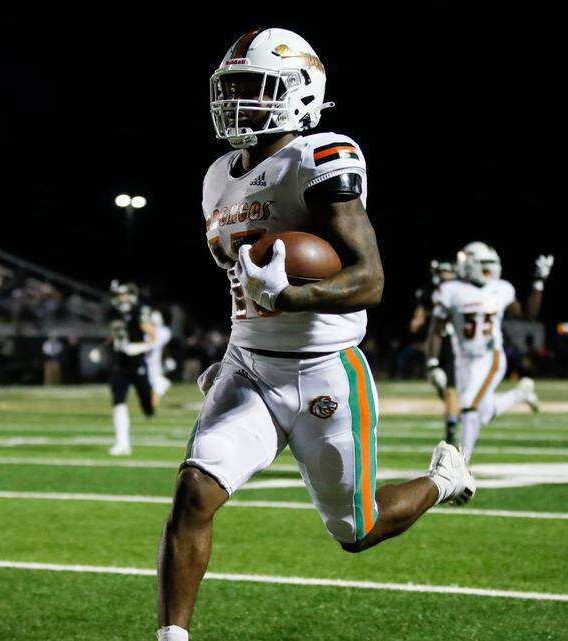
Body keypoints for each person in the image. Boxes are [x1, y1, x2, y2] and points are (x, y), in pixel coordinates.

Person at [155, 28, 475, 641]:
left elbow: (370, 280)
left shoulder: (321, 157)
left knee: (357, 531)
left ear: (301, 93)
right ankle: (172, 637)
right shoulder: (218, 176)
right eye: (232, 89)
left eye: (255, 88)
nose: (238, 102)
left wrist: (295, 295)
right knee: (194, 489)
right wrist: (228, 355)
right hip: (250, 368)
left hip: (325, 367)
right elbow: (241, 285)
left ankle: (442, 478)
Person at [429, 242, 548, 461]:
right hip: (463, 360)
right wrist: (433, 363)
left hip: (489, 356)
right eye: (486, 265)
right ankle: (520, 393)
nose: (490, 270)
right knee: (479, 414)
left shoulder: (500, 289)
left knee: (468, 408)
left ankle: (460, 466)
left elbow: (528, 317)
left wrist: (538, 283)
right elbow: (436, 329)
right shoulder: (451, 291)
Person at [106, 281, 156, 456]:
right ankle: (122, 443)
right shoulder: (114, 313)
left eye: (123, 295)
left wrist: (139, 347)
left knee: (146, 403)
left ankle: (149, 409)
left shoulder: (139, 312)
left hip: (137, 365)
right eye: (118, 295)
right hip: (120, 365)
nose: (120, 298)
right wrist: (101, 349)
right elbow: (115, 336)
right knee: (118, 402)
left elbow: (154, 337)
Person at [420, 260, 461, 443]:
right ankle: (453, 414)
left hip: (453, 343)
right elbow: (423, 316)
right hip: (437, 342)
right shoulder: (429, 293)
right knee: (441, 386)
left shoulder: (460, 292)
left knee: (451, 388)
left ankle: (451, 428)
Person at [147, 309, 174, 408]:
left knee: (158, 383)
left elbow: (159, 345)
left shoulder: (164, 332)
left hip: (154, 362)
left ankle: (151, 406)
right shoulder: (148, 331)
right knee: (155, 384)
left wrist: (167, 358)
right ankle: (151, 406)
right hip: (147, 361)